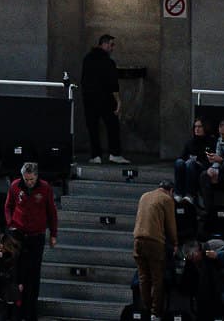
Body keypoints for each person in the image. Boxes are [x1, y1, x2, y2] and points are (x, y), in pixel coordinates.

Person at [1, 161, 58, 321]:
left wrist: (53, 233)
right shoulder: (15, 186)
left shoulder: (45, 188)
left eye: (32, 179)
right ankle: (16, 312)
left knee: (33, 275)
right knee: (16, 273)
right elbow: (8, 206)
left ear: (37, 176)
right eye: (26, 179)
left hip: (36, 236)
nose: (29, 182)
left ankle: (30, 312)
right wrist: (10, 223)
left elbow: (51, 211)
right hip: (18, 234)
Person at [132, 180, 177, 321]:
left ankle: (146, 309)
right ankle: (155, 313)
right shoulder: (167, 199)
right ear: (171, 191)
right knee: (157, 279)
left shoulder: (144, 196)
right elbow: (171, 224)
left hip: (137, 240)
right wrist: (175, 243)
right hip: (154, 242)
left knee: (143, 278)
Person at [80, 34, 127, 165]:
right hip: (105, 98)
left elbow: (84, 80)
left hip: (89, 98)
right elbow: (113, 83)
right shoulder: (108, 62)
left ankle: (96, 155)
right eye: (111, 45)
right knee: (112, 126)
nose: (113, 48)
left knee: (93, 128)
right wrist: (118, 101)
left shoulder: (87, 59)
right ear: (104, 44)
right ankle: (115, 153)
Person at [172, 118, 211, 199]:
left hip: (202, 168)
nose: (197, 129)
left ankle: (190, 194)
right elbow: (182, 157)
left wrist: (198, 162)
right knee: (179, 162)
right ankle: (178, 194)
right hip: (188, 166)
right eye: (195, 126)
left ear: (205, 128)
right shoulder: (190, 142)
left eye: (200, 126)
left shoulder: (211, 142)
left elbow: (211, 161)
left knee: (190, 163)